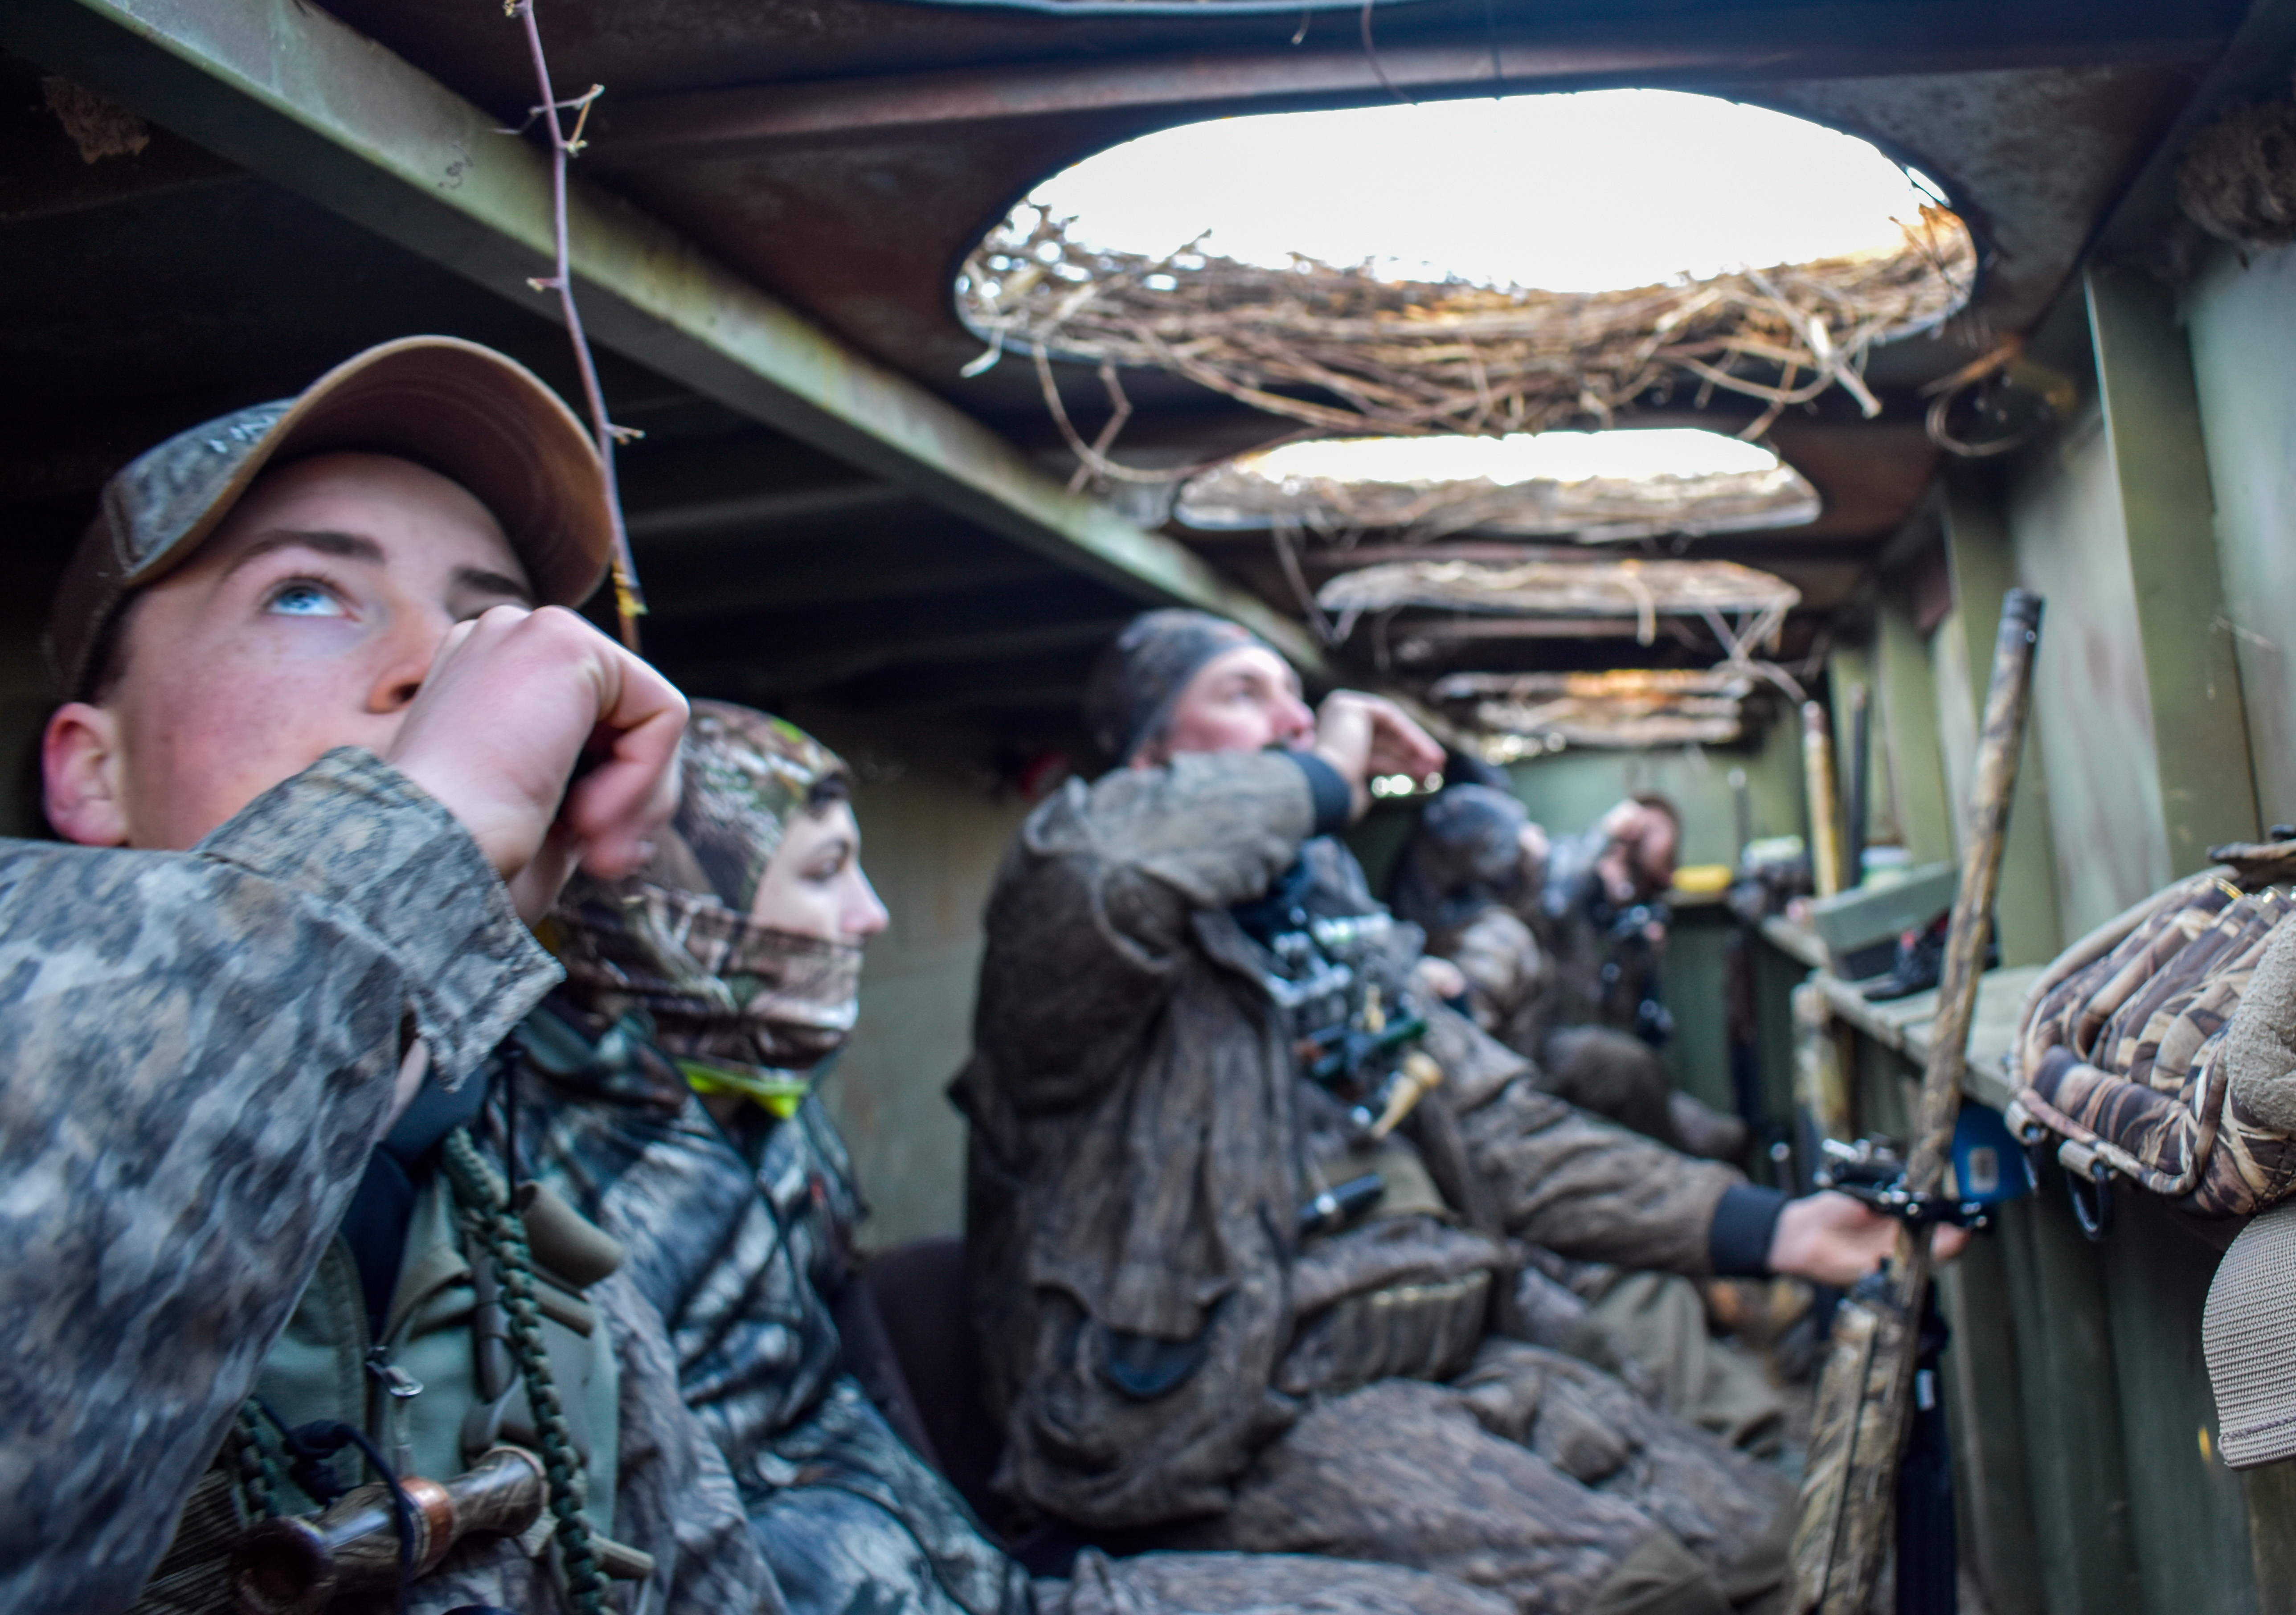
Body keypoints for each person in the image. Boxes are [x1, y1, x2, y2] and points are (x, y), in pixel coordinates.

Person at [956, 610, 1960, 1615]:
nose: (1296, 720)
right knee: (1649, 1592)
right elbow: (1109, 865)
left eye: (1294, 699)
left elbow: (1502, 1131)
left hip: (1450, 1346)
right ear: (1152, 754)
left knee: (1787, 1550)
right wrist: (1326, 775)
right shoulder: (1074, 931)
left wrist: (1777, 1227)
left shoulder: (1325, 913)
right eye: (1242, 694)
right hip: (1232, 1419)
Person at [2, 337, 778, 1614]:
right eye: (306, 594)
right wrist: (410, 848)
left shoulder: (523, 1237)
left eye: (491, 621)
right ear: (91, 770)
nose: (445, 667)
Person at [512, 701, 1512, 1615]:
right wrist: (1329, 771)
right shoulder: (562, 1187)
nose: (872, 913)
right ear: (673, 916)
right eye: (823, 872)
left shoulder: (771, 1122)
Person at [1388, 785, 1785, 1458]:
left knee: (1703, 1137)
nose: (1537, 855)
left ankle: (1732, 1298)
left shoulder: (1552, 915)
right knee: (1641, 1283)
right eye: (1522, 849)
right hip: (1499, 1167)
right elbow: (1472, 1007)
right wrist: (1454, 995)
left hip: (1535, 1122)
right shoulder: (1498, 936)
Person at [1530, 796, 1747, 1164]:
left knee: (1727, 1137)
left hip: (1623, 1059)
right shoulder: (1578, 880)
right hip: (1553, 1048)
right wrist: (1605, 834)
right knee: (1633, 1072)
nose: (1648, 838)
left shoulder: (1641, 909)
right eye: (1641, 831)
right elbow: (1556, 899)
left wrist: (1642, 950)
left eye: (1660, 832)